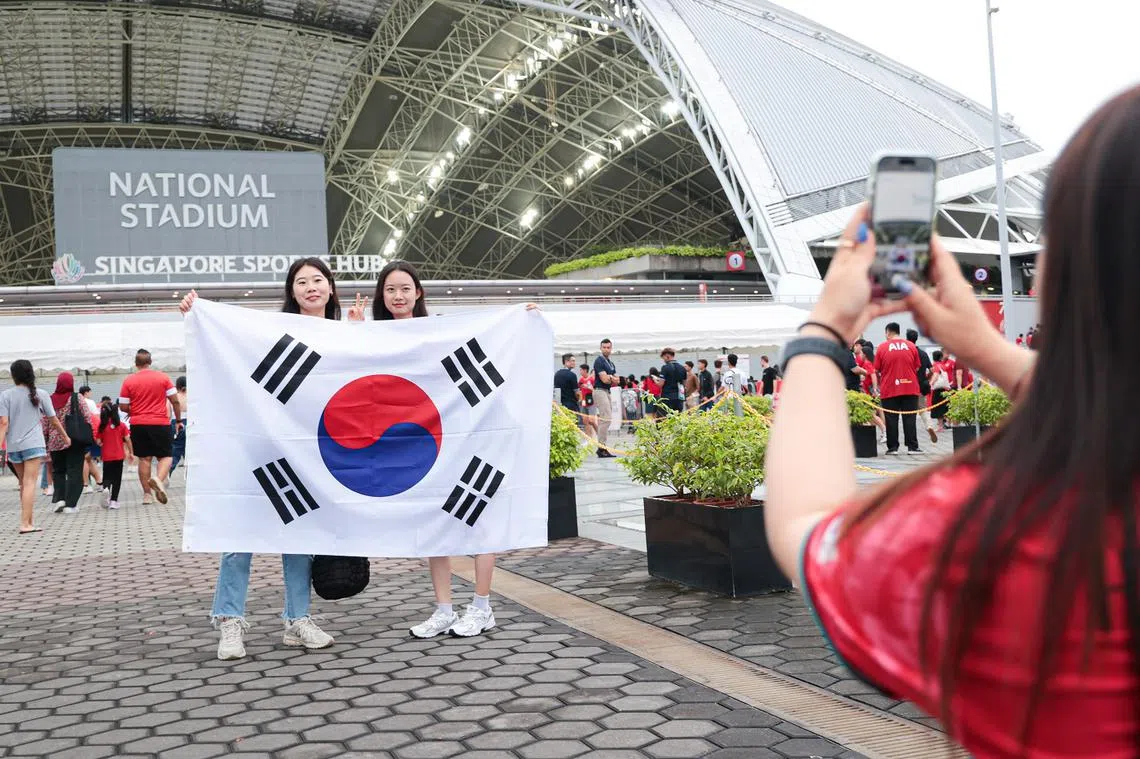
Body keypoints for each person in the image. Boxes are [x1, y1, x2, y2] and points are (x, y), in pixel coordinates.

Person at [768, 90, 1140, 756]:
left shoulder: (994, 537)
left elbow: (805, 528)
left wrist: (824, 328)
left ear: (1070, 274)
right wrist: (991, 352)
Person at [180, 257, 345, 661]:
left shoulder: (346, 336)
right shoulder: (272, 335)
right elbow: (233, 362)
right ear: (291, 292)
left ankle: (297, 620)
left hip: (311, 456)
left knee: (301, 538)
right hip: (259, 449)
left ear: (330, 287)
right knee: (239, 534)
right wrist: (199, 315)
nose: (311, 287)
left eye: (318, 280)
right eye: (301, 281)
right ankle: (229, 621)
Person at [397, 262, 540, 640]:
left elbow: (482, 345)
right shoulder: (380, 337)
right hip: (417, 447)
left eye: (405, 288)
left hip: (463, 437)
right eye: (391, 289)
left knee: (479, 519)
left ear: (418, 293)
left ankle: (481, 606)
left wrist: (517, 321)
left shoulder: (440, 330)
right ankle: (444, 609)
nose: (398, 296)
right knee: (433, 529)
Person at [0, 360, 70, 533]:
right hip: (33, 444)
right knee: (30, 483)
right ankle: (25, 523)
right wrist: (65, 436)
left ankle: (29, 521)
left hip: (14, 445)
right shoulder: (41, 394)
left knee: (24, 484)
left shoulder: (5, 395)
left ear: (13, 375)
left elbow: (3, 423)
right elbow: (53, 419)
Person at [118, 350, 182, 505]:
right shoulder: (163, 377)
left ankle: (147, 495)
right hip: (160, 423)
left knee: (144, 459)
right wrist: (178, 420)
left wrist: (136, 410)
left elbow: (123, 405)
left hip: (138, 424)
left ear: (136, 363)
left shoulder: (128, 380)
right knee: (166, 456)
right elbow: (175, 401)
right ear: (150, 362)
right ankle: (158, 480)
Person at [46, 372, 93, 514]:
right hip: (74, 440)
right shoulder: (76, 397)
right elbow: (87, 416)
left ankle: (60, 499)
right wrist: (88, 433)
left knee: (58, 471)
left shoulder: (49, 399)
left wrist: (46, 437)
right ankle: (70, 505)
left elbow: (44, 421)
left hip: (54, 441)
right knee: (74, 471)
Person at [874, 322, 921, 454]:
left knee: (891, 418)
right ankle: (912, 447)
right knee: (910, 417)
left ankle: (893, 447)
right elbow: (917, 367)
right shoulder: (911, 346)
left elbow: (876, 369)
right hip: (910, 387)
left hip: (890, 388)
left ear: (888, 332)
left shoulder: (882, 347)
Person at [96, 404, 132, 510]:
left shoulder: (102, 426)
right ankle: (113, 501)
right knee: (117, 478)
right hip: (119, 455)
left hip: (107, 456)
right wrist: (131, 452)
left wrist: (103, 444)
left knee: (107, 475)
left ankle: (106, 488)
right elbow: (128, 439)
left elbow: (98, 441)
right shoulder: (121, 425)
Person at [906, 328, 938, 444]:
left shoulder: (908, 352)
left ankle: (911, 438)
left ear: (907, 338)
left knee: (909, 413)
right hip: (921, 385)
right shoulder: (923, 353)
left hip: (909, 385)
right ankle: (929, 426)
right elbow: (932, 370)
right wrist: (926, 378)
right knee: (923, 409)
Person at [592, 340, 620, 457]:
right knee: (606, 418)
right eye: (604, 347)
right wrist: (610, 377)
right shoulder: (599, 361)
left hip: (607, 391)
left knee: (606, 419)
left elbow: (617, 380)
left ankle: (602, 446)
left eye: (608, 347)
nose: (606, 349)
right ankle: (601, 447)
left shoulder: (610, 363)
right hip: (599, 390)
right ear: (600, 348)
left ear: (611, 348)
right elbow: (604, 379)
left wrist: (611, 377)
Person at [78, 385, 103, 493]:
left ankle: (86, 485)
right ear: (86, 392)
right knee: (88, 459)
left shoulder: (77, 402)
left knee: (85, 458)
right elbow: (96, 417)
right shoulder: (90, 402)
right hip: (92, 432)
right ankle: (99, 481)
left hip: (83, 432)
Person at [658, 348, 686, 414]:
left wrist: (656, 381)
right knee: (677, 417)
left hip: (667, 398)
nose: (663, 360)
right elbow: (684, 383)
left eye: (663, 358)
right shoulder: (682, 368)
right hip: (679, 397)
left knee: (666, 418)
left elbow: (660, 384)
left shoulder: (665, 368)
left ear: (667, 356)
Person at [170, 376, 188, 475]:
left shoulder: (173, 397)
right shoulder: (193, 397)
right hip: (191, 423)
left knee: (175, 451)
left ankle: (165, 475)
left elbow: (167, 414)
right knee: (191, 453)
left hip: (176, 422)